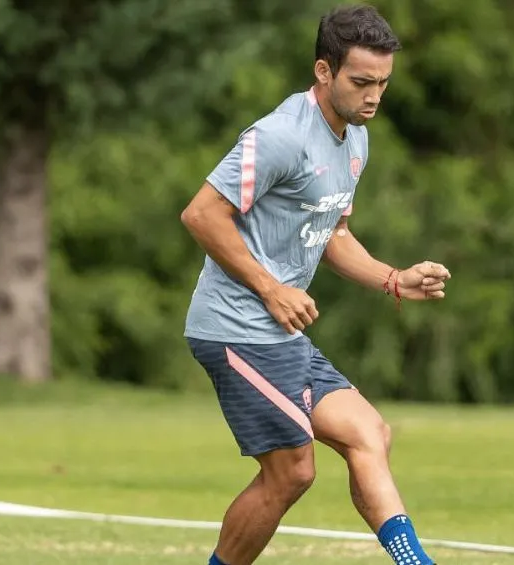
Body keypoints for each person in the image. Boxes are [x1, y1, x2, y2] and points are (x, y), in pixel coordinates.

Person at [179, 5, 450, 565]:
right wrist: (271, 288)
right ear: (324, 71)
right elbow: (201, 214)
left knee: (369, 433)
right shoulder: (280, 136)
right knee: (292, 472)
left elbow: (331, 233)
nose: (374, 96)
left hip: (281, 335)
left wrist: (393, 279)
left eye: (383, 83)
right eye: (362, 82)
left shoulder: (355, 139)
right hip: (236, 329)